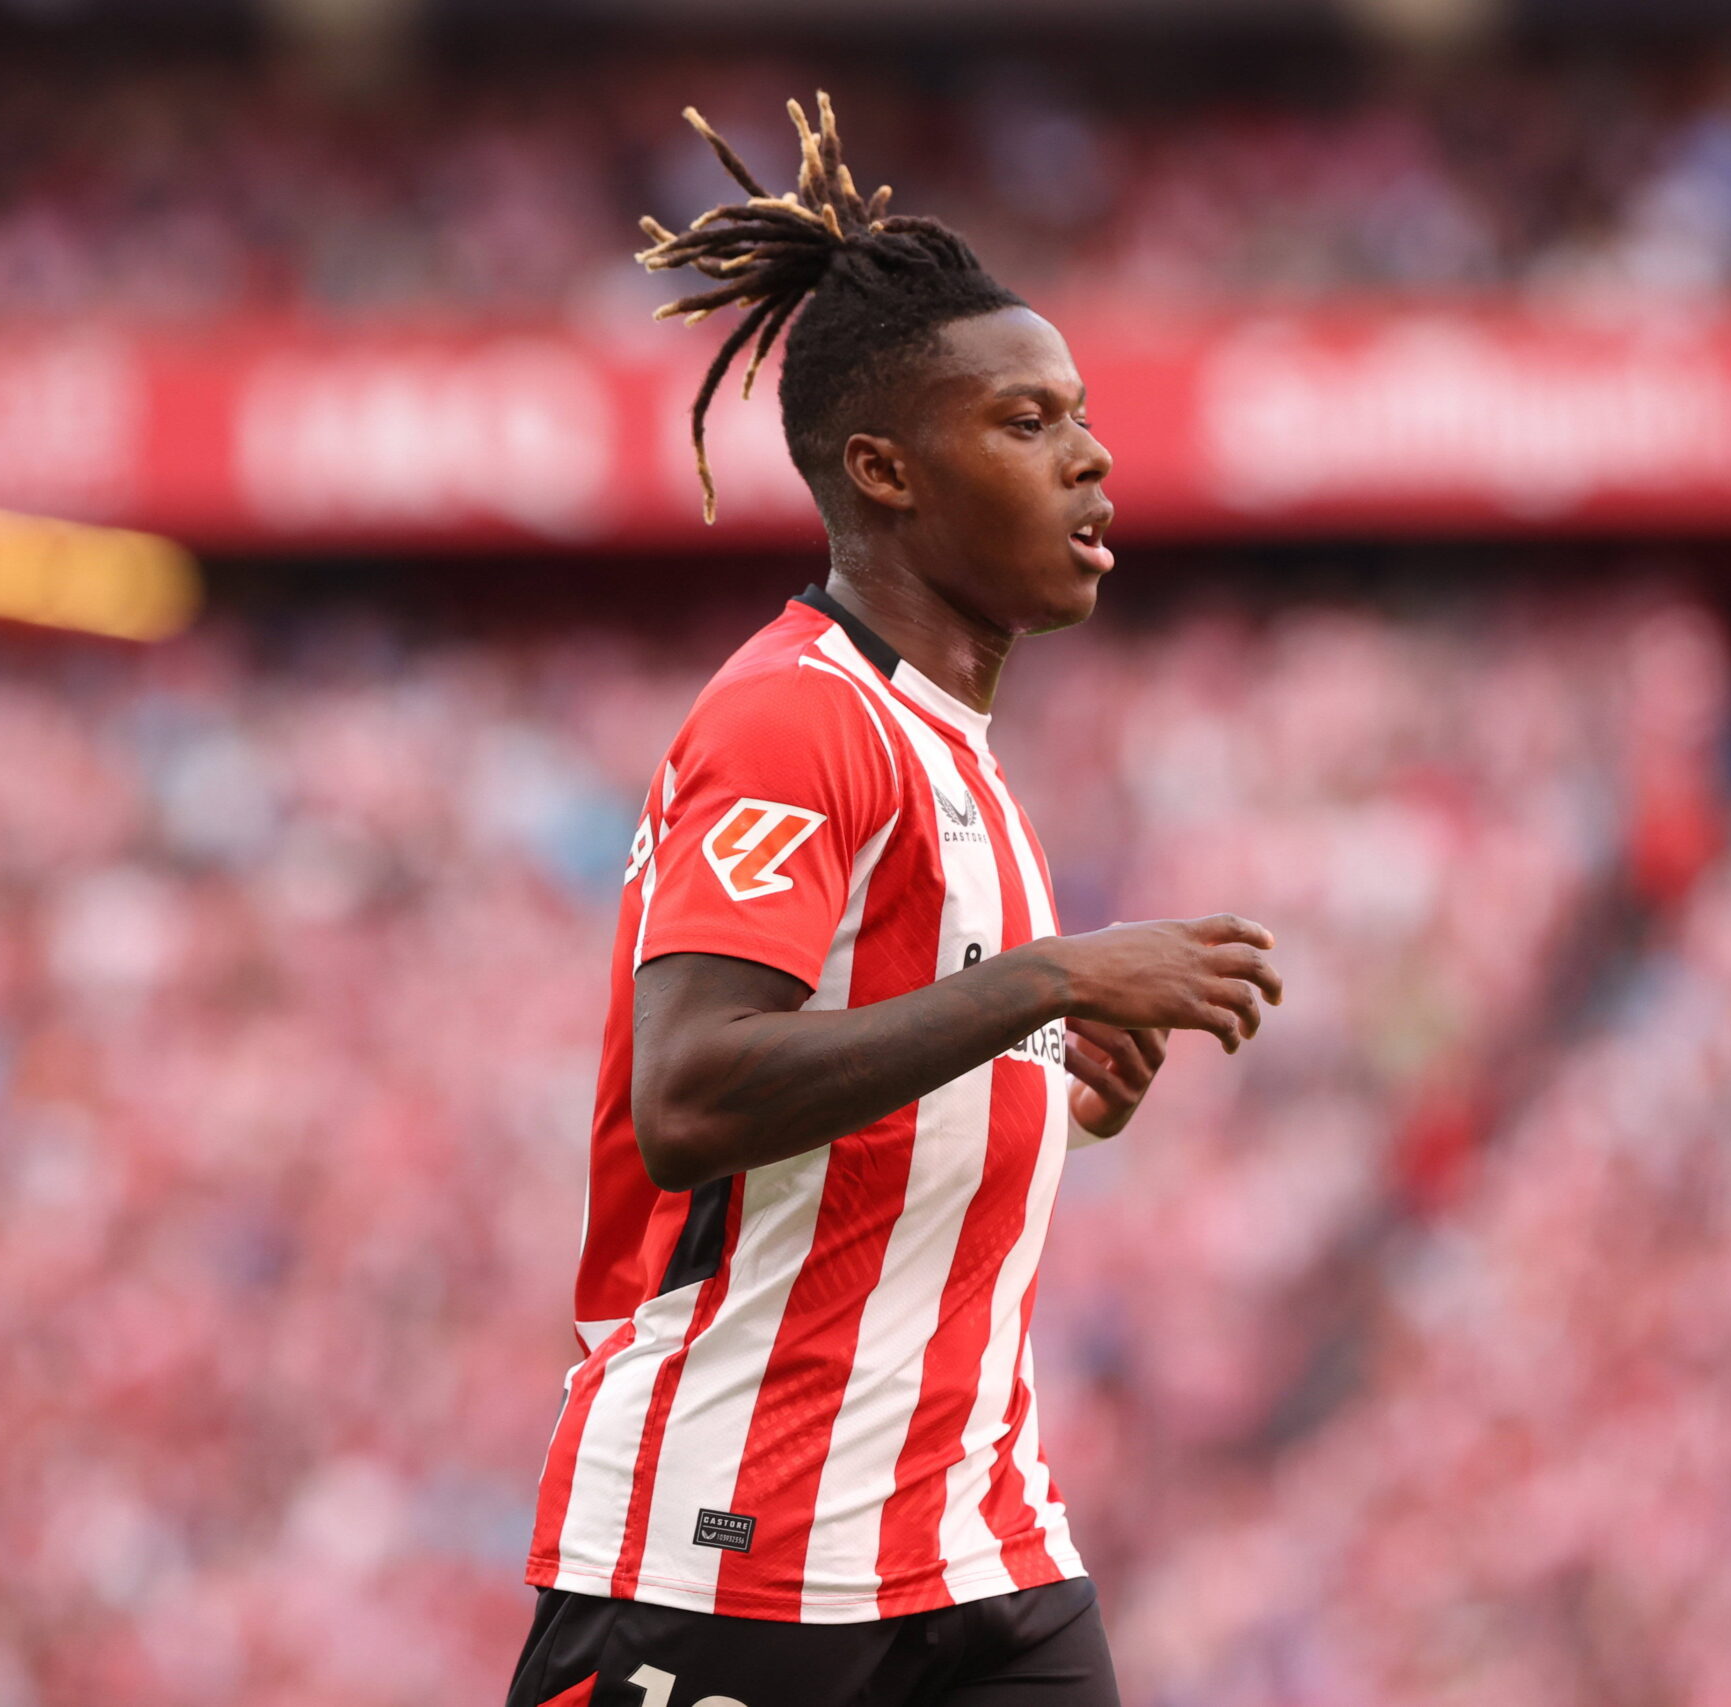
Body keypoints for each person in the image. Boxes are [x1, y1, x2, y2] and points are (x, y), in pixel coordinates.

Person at [508, 95, 1283, 1707]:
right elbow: (695, 1091)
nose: (1093, 454)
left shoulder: (959, 754)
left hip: (975, 1548)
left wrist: (1050, 1089)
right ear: (885, 471)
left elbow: (865, 1102)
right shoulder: (795, 716)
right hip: (737, 1553)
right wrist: (1048, 986)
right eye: (1025, 422)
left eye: (1080, 413)